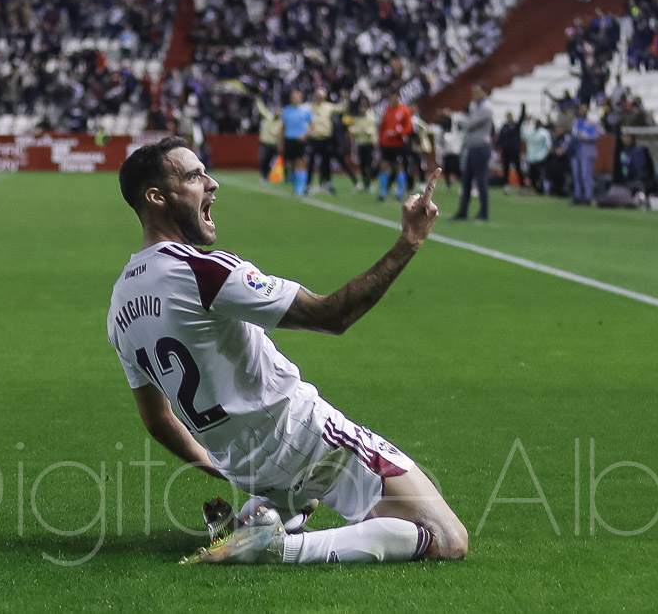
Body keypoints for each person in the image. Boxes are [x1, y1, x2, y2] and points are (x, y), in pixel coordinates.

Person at [108, 137, 465, 564]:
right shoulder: (202, 271)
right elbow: (330, 315)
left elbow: (157, 419)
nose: (212, 183)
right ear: (156, 196)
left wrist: (218, 467)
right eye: (193, 176)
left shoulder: (119, 307)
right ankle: (279, 548)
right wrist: (410, 240)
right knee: (446, 537)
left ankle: (250, 521)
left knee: (305, 500)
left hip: (246, 466)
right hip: (305, 435)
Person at [451, 81, 494, 221]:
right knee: (466, 180)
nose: (473, 95)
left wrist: (459, 118)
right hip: (472, 147)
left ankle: (484, 212)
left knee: (480, 180)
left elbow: (469, 125)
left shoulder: (486, 108)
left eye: (476, 92)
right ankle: (463, 211)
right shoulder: (475, 107)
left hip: (481, 147)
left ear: (484, 92)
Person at [308, 88, 348, 194]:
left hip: (325, 139)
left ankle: (328, 183)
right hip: (313, 138)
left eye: (321, 96)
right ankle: (308, 184)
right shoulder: (309, 106)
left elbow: (342, 108)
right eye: (318, 96)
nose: (319, 98)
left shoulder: (328, 106)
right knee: (311, 162)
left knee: (326, 162)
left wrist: (345, 98)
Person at [378, 89, 414, 201]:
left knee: (399, 166)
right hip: (386, 144)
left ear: (399, 98)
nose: (394, 100)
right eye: (392, 98)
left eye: (396, 98)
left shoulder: (405, 111)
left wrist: (397, 132)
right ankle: (382, 193)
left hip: (398, 144)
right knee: (384, 166)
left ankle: (400, 192)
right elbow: (383, 127)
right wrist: (380, 140)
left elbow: (409, 128)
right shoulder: (387, 110)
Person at [282, 90, 314, 195]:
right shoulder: (286, 110)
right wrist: (280, 142)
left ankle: (300, 188)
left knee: (300, 162)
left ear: (301, 98)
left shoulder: (306, 110)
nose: (295, 98)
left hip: (300, 140)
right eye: (293, 97)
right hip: (289, 139)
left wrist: (305, 135)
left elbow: (313, 127)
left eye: (297, 97)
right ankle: (295, 183)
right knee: (290, 164)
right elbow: (283, 127)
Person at [344, 96, 378, 192]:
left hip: (370, 144)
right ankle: (365, 183)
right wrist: (356, 130)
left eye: (364, 107)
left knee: (370, 165)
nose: (362, 109)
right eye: (361, 107)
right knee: (363, 165)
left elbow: (369, 131)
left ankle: (371, 182)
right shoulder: (358, 118)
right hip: (361, 143)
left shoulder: (371, 117)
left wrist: (357, 130)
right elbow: (353, 131)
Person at [570, 103, 599, 205]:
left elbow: (597, 135)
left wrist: (586, 137)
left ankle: (588, 196)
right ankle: (578, 195)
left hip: (587, 152)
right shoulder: (576, 122)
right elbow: (573, 134)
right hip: (576, 151)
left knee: (586, 174)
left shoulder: (593, 123)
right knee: (576, 174)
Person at [497, 105, 526, 194]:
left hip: (515, 151)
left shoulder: (516, 126)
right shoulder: (504, 127)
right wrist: (499, 147)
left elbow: (522, 118)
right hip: (506, 151)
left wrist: (523, 108)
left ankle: (522, 186)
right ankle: (506, 186)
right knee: (506, 169)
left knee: (518, 168)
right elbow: (500, 138)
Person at [255, 96, 282, 183]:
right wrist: (258, 100)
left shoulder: (281, 123)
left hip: (274, 144)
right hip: (265, 143)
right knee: (264, 160)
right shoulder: (269, 117)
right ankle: (263, 176)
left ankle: (271, 175)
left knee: (273, 162)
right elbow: (262, 109)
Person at [522, 117, 552, 195]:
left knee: (542, 175)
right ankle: (535, 189)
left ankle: (542, 190)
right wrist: (525, 122)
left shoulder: (544, 133)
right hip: (531, 157)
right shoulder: (530, 131)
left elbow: (549, 146)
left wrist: (547, 155)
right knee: (533, 175)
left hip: (541, 157)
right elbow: (522, 135)